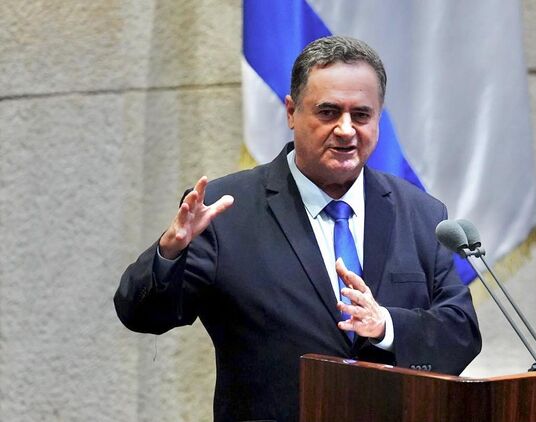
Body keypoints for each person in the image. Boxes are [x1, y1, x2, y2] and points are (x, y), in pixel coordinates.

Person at [114, 35, 481, 422]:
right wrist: (169, 253)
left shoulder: (421, 213)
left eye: (361, 115)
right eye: (328, 112)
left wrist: (386, 325)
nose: (345, 129)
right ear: (291, 112)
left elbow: (460, 333)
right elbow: (142, 315)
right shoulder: (226, 211)